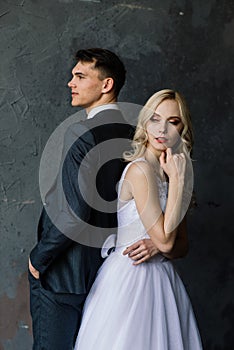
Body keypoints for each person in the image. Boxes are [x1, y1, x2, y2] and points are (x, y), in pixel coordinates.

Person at [28, 48, 170, 350]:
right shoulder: (137, 135)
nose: (70, 82)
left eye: (80, 76)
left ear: (107, 85)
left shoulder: (82, 131)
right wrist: (160, 242)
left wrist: (39, 258)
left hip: (64, 273)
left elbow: (72, 211)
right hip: (110, 274)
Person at [74, 89, 203, 350]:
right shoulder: (140, 170)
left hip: (164, 280)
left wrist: (156, 245)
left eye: (173, 122)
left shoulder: (170, 173)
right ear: (145, 122)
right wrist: (179, 181)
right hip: (132, 278)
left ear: (182, 129)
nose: (162, 129)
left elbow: (181, 245)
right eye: (155, 119)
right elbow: (169, 243)